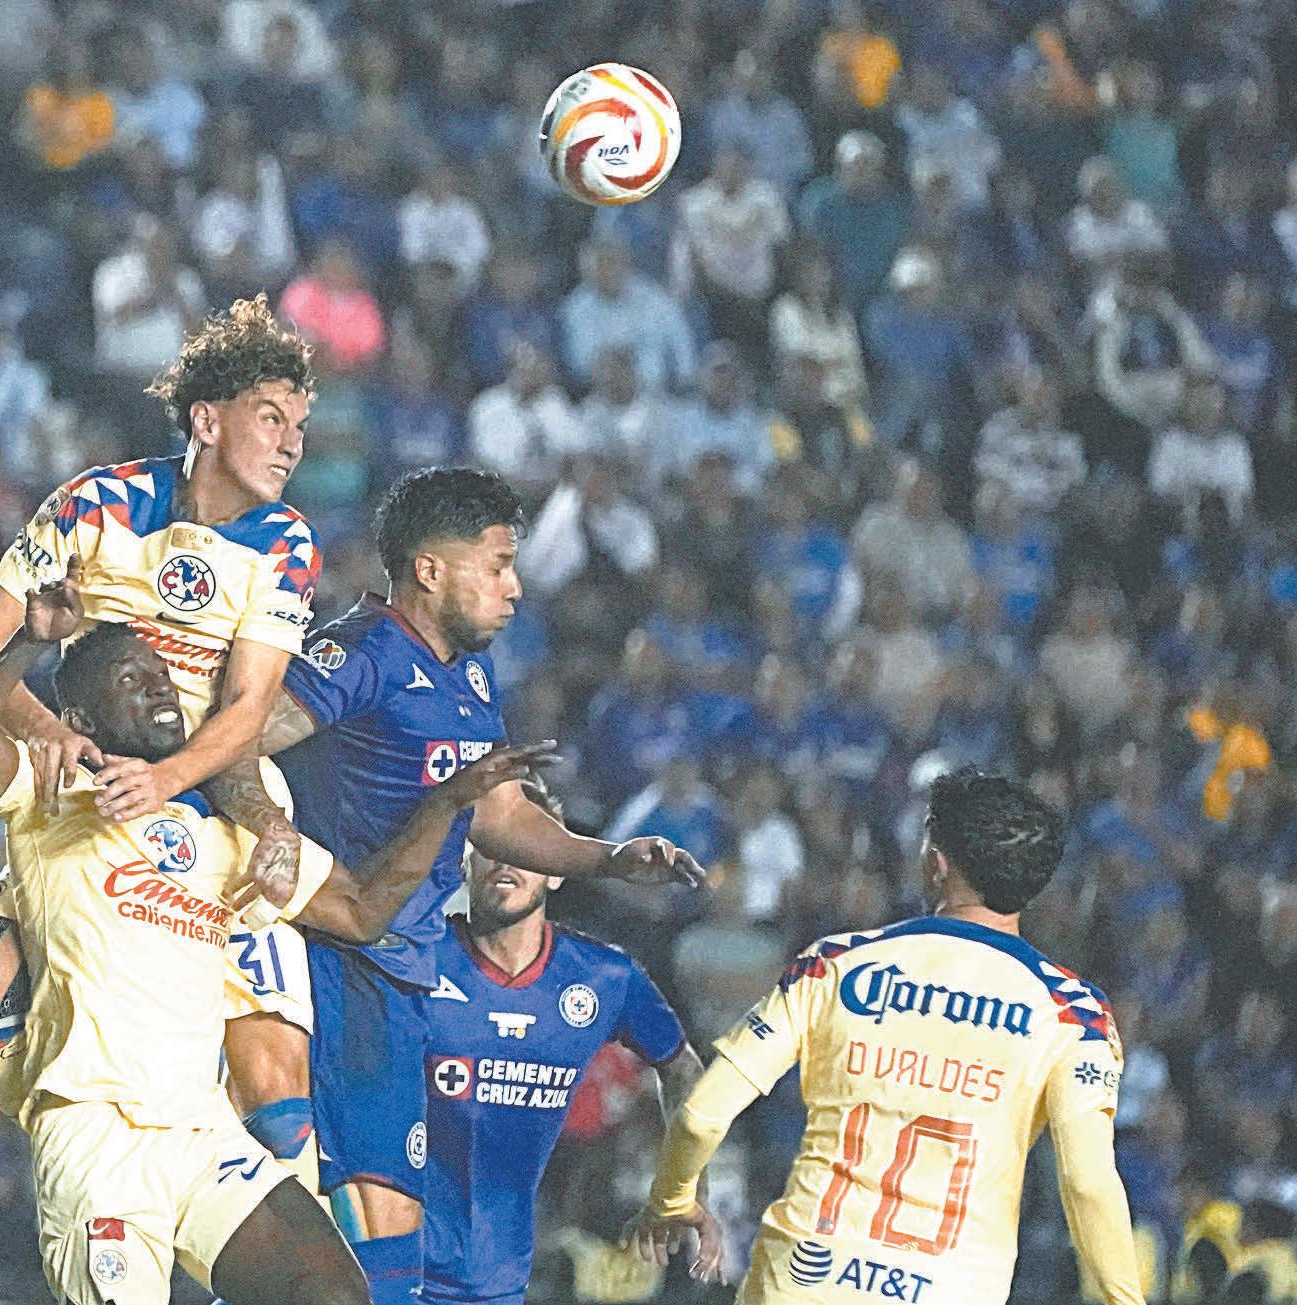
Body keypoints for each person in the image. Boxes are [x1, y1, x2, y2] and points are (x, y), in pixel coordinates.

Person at [0, 553, 554, 1305]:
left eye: (160, 674)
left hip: (201, 1130)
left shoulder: (227, 827)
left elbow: (362, 910)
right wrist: (26, 644)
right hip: (99, 1132)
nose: (158, 686)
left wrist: (447, 802)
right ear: (83, 720)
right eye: (130, 679)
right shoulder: (57, 792)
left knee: (332, 1294)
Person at [172, 468, 707, 1305]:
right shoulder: (363, 653)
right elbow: (234, 738)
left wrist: (607, 858)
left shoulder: (470, 678)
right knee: (362, 1236)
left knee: (373, 1245)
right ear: (430, 569)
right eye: (496, 564)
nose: (514, 587)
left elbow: (499, 811)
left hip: (397, 968)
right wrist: (268, 827)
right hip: (338, 958)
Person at [0, 294, 325, 1191]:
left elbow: (247, 708)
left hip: (218, 792)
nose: (291, 444)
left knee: (277, 1100)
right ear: (208, 420)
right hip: (94, 793)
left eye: (299, 426)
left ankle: (282, 1222)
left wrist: (172, 781)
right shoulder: (97, 503)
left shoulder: (287, 543)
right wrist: (53, 734)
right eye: (271, 418)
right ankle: (93, 1142)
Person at [624, 769, 1145, 1305]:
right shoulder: (1074, 1015)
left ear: (936, 862)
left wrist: (672, 1200)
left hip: (801, 1280)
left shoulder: (835, 964)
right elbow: (1088, 1184)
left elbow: (701, 1114)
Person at [419, 784, 709, 1305]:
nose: (506, 861)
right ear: (466, 862)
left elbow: (683, 1070)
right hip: (390, 1267)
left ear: (557, 869)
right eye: (491, 845)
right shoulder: (417, 960)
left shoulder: (604, 978)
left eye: (527, 846)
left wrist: (684, 1189)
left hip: (499, 1280)